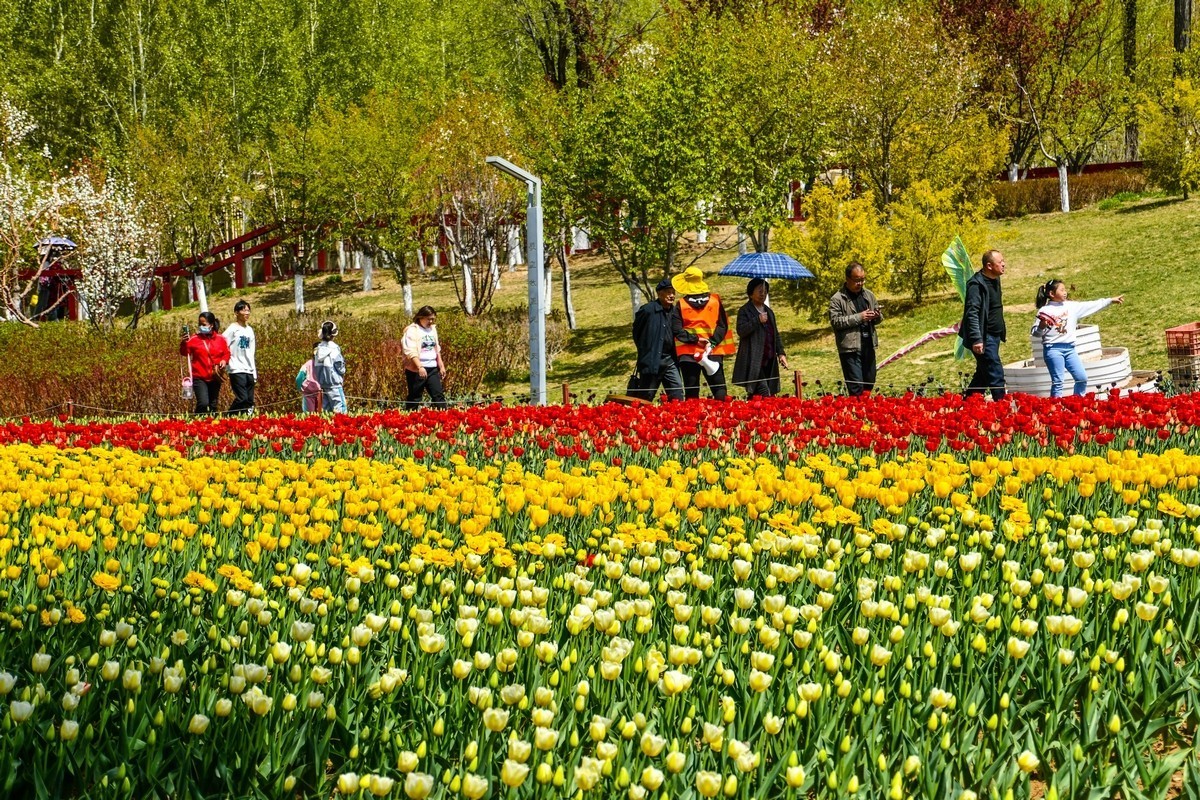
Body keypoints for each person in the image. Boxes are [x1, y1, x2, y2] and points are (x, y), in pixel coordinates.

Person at [1032, 280, 1124, 397]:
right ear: (1051, 294)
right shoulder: (1044, 311)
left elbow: (1091, 305)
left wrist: (1109, 300)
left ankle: (1078, 403)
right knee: (1058, 382)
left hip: (1070, 349)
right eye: (1061, 290)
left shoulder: (1072, 306)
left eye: (1065, 290)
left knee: (1082, 378)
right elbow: (1035, 333)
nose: (1065, 292)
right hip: (1053, 349)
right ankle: (1055, 410)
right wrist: (1041, 327)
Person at [671, 266, 733, 400]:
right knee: (719, 389)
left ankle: (692, 420)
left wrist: (694, 339)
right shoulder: (715, 301)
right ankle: (722, 417)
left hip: (688, 354)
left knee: (691, 392)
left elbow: (677, 330)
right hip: (712, 351)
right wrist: (712, 342)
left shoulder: (681, 304)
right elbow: (723, 325)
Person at [960, 249, 1007, 400]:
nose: (1004, 264)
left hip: (994, 335)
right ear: (989, 265)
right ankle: (1003, 408)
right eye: (1000, 262)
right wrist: (976, 339)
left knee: (983, 375)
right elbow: (971, 313)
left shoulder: (995, 279)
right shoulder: (976, 285)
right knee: (995, 372)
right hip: (983, 337)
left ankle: (967, 404)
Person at [829, 263, 882, 396]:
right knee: (856, 386)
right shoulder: (837, 299)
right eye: (857, 280)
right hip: (850, 349)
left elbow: (879, 319)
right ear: (847, 279)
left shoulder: (868, 295)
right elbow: (836, 322)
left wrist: (876, 315)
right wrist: (860, 317)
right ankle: (857, 411)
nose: (861, 283)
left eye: (863, 279)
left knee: (870, 381)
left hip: (868, 344)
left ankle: (866, 409)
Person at [630, 278, 685, 402]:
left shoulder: (675, 311)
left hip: (670, 360)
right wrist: (646, 350)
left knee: (677, 395)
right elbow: (637, 332)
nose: (671, 296)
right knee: (646, 397)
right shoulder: (648, 310)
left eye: (673, 292)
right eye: (668, 292)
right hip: (652, 361)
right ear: (659, 293)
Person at [732, 278, 788, 398]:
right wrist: (757, 320)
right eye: (760, 291)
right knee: (764, 392)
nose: (763, 294)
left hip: (769, 359)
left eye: (765, 291)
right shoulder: (745, 311)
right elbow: (741, 331)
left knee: (763, 394)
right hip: (754, 360)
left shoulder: (769, 312)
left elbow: (775, 334)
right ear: (751, 293)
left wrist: (781, 353)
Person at [179, 311, 230, 414]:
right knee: (203, 403)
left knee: (213, 404)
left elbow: (226, 353)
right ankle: (197, 423)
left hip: (215, 376)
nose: (201, 327)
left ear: (211, 325)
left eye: (204, 324)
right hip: (199, 376)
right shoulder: (194, 339)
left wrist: (224, 360)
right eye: (200, 324)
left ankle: (211, 425)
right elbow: (184, 352)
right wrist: (184, 342)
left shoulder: (221, 339)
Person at [403, 306, 448, 409]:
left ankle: (445, 417)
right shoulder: (412, 330)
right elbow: (411, 351)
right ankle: (410, 419)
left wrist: (441, 365)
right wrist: (420, 367)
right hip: (416, 370)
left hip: (432, 368)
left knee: (438, 396)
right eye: (428, 319)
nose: (431, 321)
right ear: (420, 317)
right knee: (415, 398)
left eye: (433, 319)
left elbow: (436, 349)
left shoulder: (432, 329)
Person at [223, 299, 257, 414]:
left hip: (249, 369)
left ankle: (244, 420)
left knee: (249, 400)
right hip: (236, 368)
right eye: (243, 310)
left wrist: (254, 372)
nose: (247, 313)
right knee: (242, 398)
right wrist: (225, 363)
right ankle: (228, 417)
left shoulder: (250, 330)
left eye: (248, 310)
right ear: (236, 313)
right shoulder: (232, 328)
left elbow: (251, 352)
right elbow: (222, 344)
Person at [314, 320, 346, 413]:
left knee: (326, 412)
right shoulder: (334, 348)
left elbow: (316, 367)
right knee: (340, 411)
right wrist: (343, 372)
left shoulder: (318, 349)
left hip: (323, 385)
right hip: (335, 384)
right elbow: (340, 366)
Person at [295, 347, 322, 412]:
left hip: (309, 393)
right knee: (321, 415)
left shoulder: (308, 364)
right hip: (321, 392)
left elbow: (299, 378)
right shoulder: (325, 364)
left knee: (309, 415)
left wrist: (299, 388)